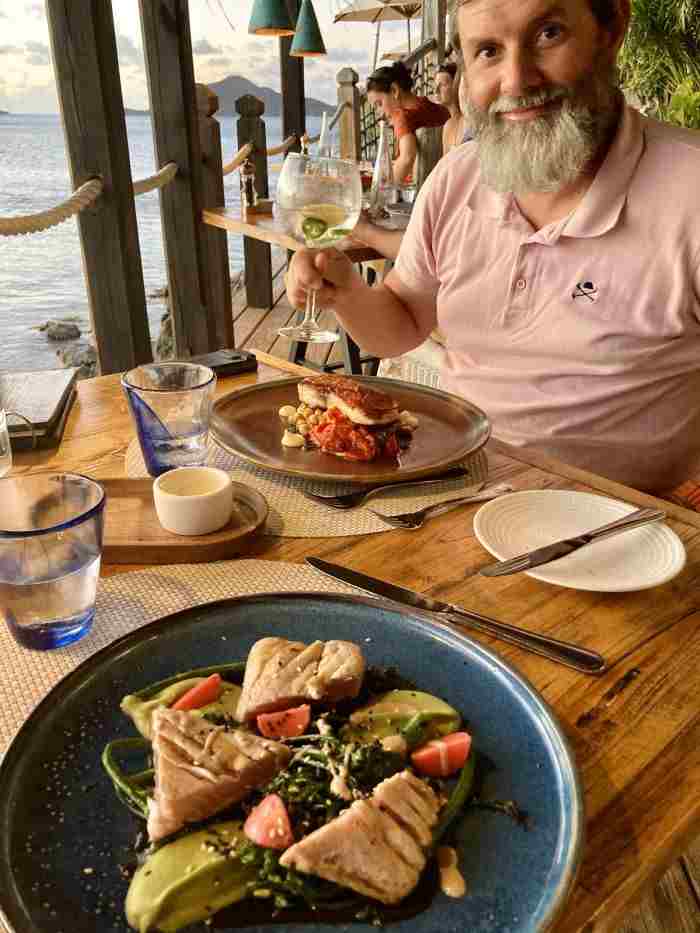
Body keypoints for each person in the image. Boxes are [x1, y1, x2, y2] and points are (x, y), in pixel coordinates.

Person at [286, 0, 700, 497]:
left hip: (621, 523)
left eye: (548, 34)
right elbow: (400, 323)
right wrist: (345, 291)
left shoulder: (689, 189)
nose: (516, 80)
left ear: (611, 27)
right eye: (487, 51)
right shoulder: (458, 177)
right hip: (449, 486)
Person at [366, 60, 450, 184]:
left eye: (379, 104)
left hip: (420, 188)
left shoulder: (402, 116)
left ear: (394, 90)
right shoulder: (431, 106)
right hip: (443, 179)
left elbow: (407, 158)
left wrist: (384, 190)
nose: (379, 113)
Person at [435, 62, 468, 153]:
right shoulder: (448, 126)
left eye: (442, 85)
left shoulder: (468, 121)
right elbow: (445, 164)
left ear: (456, 85)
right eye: (436, 85)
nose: (436, 90)